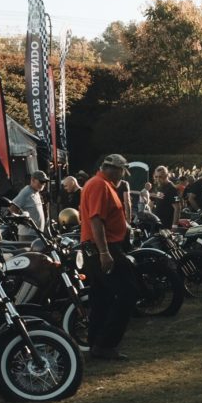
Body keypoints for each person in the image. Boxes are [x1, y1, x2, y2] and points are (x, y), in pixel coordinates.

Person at [79, 154, 134, 361]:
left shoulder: (103, 184)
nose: (123, 175)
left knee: (102, 297)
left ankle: (96, 344)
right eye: (122, 171)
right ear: (114, 169)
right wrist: (104, 252)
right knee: (128, 292)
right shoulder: (99, 185)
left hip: (103, 246)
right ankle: (106, 343)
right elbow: (96, 220)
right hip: (103, 247)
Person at [10, 170, 49, 239]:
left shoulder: (36, 192)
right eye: (41, 182)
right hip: (28, 235)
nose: (43, 184)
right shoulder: (26, 192)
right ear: (33, 180)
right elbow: (12, 207)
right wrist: (22, 220)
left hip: (36, 234)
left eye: (45, 182)